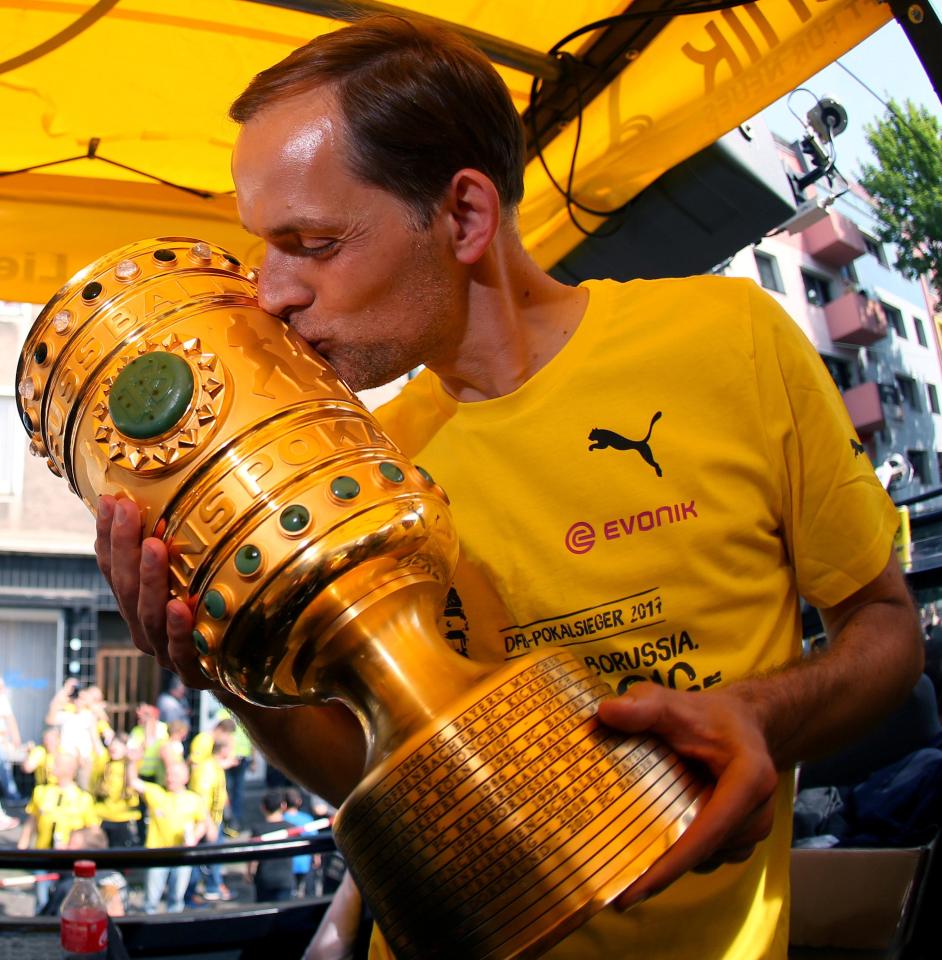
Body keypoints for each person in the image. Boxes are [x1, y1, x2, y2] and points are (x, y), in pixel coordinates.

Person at [93, 15, 924, 959]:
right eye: (264, 247)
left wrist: (765, 718)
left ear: (465, 217)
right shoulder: (357, 460)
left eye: (312, 243)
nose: (271, 291)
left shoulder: (731, 340)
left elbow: (886, 626)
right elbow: (380, 764)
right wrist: (220, 673)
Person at [128, 758, 214, 914]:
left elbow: (202, 823)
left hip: (181, 854)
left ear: (185, 778)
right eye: (168, 774)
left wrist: (193, 837)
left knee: (176, 898)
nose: (170, 778)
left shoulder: (193, 799)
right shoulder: (156, 793)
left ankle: (174, 927)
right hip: (157, 853)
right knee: (151, 899)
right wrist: (132, 761)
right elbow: (133, 782)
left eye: (174, 775)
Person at [17, 752, 100, 912]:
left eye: (56, 764)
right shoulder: (41, 792)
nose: (50, 767)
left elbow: (93, 832)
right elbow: (32, 821)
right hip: (43, 855)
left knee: (66, 901)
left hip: (69, 860)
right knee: (42, 899)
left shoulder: (83, 799)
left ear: (68, 769)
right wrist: (22, 846)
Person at [247, 790, 295, 903]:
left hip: (264, 878)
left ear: (263, 807)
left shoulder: (258, 830)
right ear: (283, 806)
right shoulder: (291, 828)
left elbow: (253, 856)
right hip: (285, 878)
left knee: (264, 914)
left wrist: (249, 872)